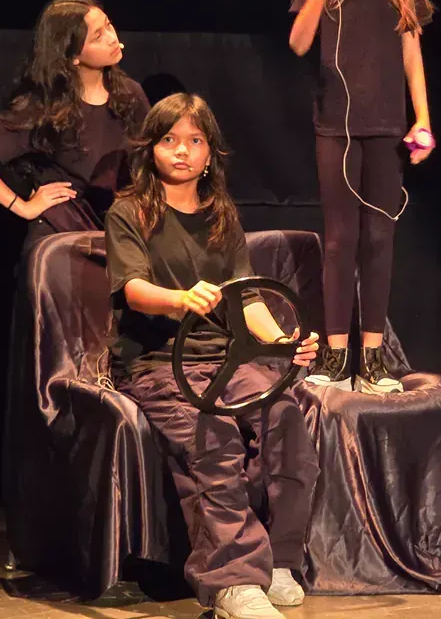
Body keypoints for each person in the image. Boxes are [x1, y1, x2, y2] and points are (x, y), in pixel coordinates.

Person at [105, 93, 320, 619]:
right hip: (160, 364)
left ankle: (281, 562)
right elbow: (132, 288)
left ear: (210, 153)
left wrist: (284, 345)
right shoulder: (129, 211)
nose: (182, 151)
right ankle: (233, 583)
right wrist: (179, 299)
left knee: (288, 416)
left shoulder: (221, 215)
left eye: (194, 141)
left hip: (225, 360)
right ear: (151, 148)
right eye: (169, 140)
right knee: (212, 435)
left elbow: (246, 297)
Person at [288, 0, 435, 394]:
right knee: (339, 241)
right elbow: (300, 43)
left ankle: (371, 357)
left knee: (379, 239)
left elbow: (412, 56)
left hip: (387, 128)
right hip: (337, 130)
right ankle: (334, 352)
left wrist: (422, 119)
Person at [0, 0, 150, 249]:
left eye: (109, 25)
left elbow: (151, 157)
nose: (112, 38)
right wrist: (21, 206)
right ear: (72, 57)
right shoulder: (44, 107)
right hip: (65, 237)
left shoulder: (130, 94)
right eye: (98, 36)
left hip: (120, 231)